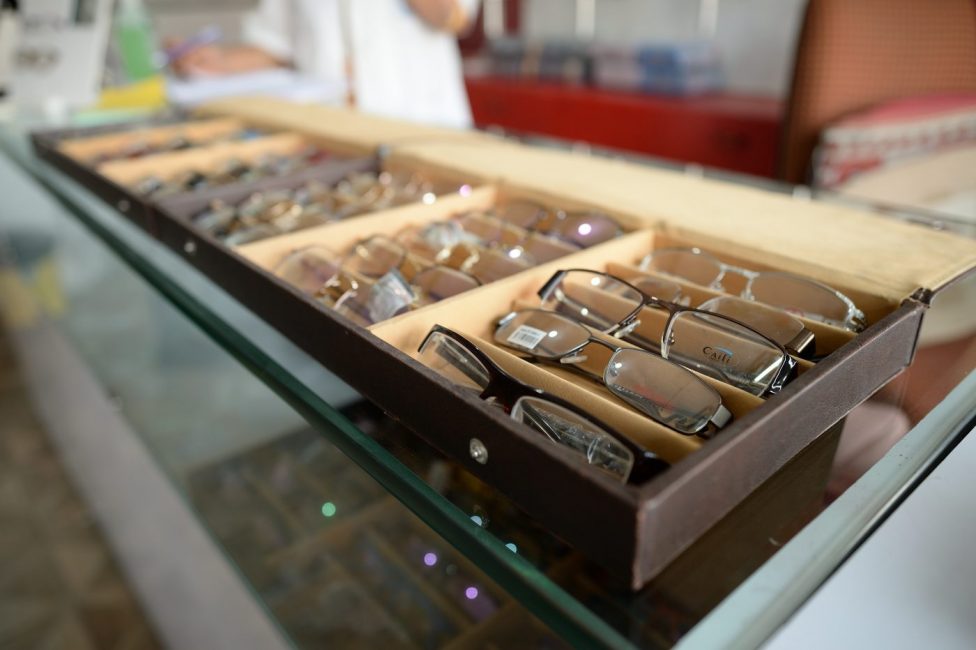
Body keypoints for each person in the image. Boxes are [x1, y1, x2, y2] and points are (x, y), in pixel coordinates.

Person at [172, 0, 478, 129]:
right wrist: (218, 61)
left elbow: (454, 16)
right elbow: (276, 44)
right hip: (329, 130)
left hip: (424, 124)